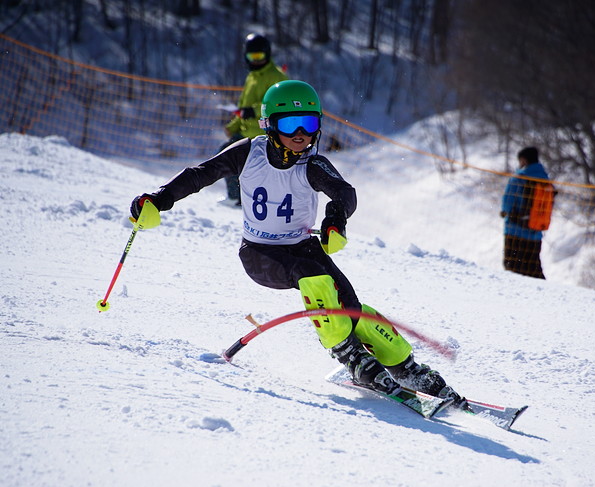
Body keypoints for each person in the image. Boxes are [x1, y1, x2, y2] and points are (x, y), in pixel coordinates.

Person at [130, 80, 467, 407]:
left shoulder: (312, 163)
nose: (300, 134)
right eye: (290, 124)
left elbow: (343, 193)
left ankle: (405, 366)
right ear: (269, 124)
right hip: (260, 254)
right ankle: (351, 357)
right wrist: (159, 199)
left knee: (351, 307)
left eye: (308, 123)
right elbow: (199, 174)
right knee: (311, 275)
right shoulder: (249, 152)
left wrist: (335, 220)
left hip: (304, 247)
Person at [220, 33, 288, 206]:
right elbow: (242, 108)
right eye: (252, 57)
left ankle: (240, 198)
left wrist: (254, 111)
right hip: (245, 132)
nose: (256, 61)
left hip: (262, 132)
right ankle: (239, 197)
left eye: (260, 56)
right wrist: (233, 126)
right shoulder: (251, 77)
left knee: (232, 157)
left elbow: (279, 104)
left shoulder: (276, 77)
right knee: (226, 156)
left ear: (268, 55)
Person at [500, 146, 549, 279]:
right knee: (533, 268)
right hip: (535, 232)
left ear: (523, 161)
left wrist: (505, 213)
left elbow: (507, 202)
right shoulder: (545, 180)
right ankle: (544, 294)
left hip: (515, 231)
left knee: (512, 266)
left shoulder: (518, 178)